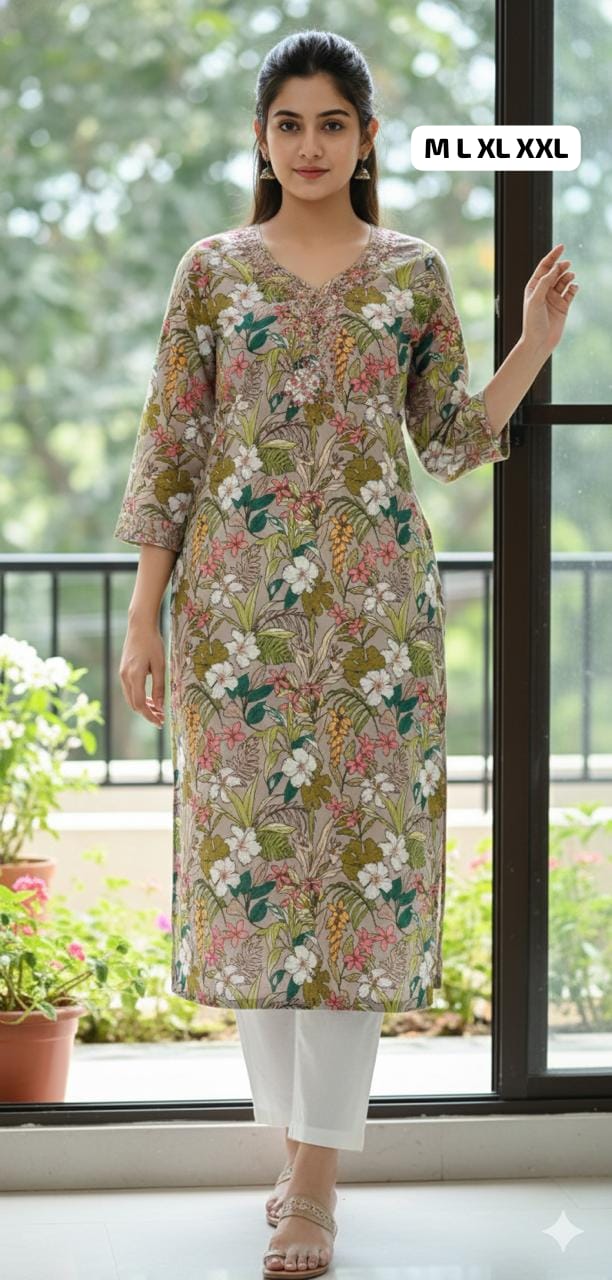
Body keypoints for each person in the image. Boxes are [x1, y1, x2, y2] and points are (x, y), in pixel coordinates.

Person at [114, 29, 578, 1280]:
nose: (310, 145)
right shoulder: (212, 272)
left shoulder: (412, 273)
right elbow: (170, 450)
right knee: (257, 885)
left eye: (333, 123)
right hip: (236, 623)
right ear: (261, 138)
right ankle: (294, 1150)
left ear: (367, 138)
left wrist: (533, 342)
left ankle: (316, 1179)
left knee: (355, 889)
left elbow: (450, 438)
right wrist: (147, 613)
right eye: (289, 123)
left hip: (374, 625)